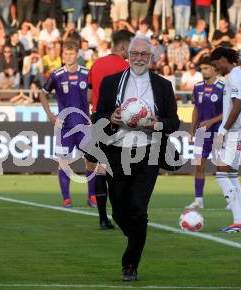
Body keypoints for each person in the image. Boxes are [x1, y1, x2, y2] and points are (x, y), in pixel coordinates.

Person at [92, 35, 180, 281]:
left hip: (149, 152)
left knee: (139, 211)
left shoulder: (162, 85)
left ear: (151, 58)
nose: (139, 58)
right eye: (134, 54)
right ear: (127, 55)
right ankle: (137, 238)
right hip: (116, 152)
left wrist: (158, 122)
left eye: (144, 54)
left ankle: (130, 264)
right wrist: (111, 118)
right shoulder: (111, 83)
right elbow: (96, 115)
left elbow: (174, 121)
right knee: (120, 212)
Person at [40, 39, 98, 209]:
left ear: (77, 54)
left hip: (84, 126)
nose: (68, 56)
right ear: (62, 55)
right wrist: (50, 115)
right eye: (65, 53)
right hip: (64, 127)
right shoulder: (56, 75)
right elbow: (42, 94)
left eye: (71, 53)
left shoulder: (87, 74)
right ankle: (66, 199)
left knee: (91, 161)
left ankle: (92, 197)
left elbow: (95, 94)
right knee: (64, 162)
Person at [87, 29, 135, 230]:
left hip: (98, 119)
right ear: (123, 46)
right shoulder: (125, 67)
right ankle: (122, 214)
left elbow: (89, 97)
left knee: (100, 168)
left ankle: (102, 219)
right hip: (118, 121)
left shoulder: (96, 64)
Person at [210, 46, 241, 233]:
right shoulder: (236, 75)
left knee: (221, 175)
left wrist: (223, 130)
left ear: (224, 59)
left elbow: (237, 105)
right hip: (236, 131)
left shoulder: (234, 76)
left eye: (216, 65)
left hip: (234, 132)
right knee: (231, 175)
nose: (216, 70)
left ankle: (239, 223)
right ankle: (239, 222)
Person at [186, 57, 224, 209]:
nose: (203, 71)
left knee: (222, 167)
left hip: (219, 132)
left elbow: (228, 112)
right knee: (199, 165)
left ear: (215, 69)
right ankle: (198, 200)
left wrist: (212, 121)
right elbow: (196, 108)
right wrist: (191, 129)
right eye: (202, 68)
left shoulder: (223, 87)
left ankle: (230, 199)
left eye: (206, 68)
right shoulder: (198, 87)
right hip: (201, 133)